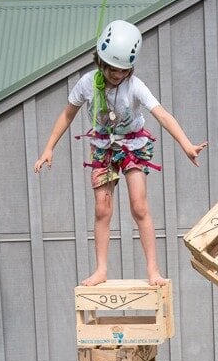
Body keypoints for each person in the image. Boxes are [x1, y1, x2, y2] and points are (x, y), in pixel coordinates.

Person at [34, 20, 207, 287]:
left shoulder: (135, 86)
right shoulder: (87, 84)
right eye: (113, 69)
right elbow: (67, 114)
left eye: (123, 71)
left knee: (139, 206)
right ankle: (101, 269)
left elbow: (161, 114)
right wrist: (48, 147)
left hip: (132, 146)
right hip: (103, 146)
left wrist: (186, 144)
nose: (117, 75)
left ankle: (153, 271)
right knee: (102, 209)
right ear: (101, 61)